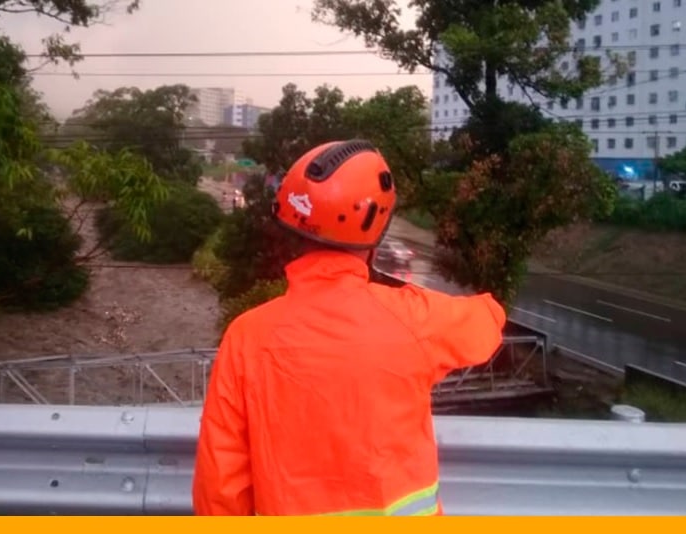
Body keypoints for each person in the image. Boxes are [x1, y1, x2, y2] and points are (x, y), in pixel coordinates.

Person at [191, 139, 507, 516]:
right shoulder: (413, 318)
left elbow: (220, 487)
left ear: (291, 228)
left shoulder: (246, 337)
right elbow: (489, 318)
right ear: (375, 235)